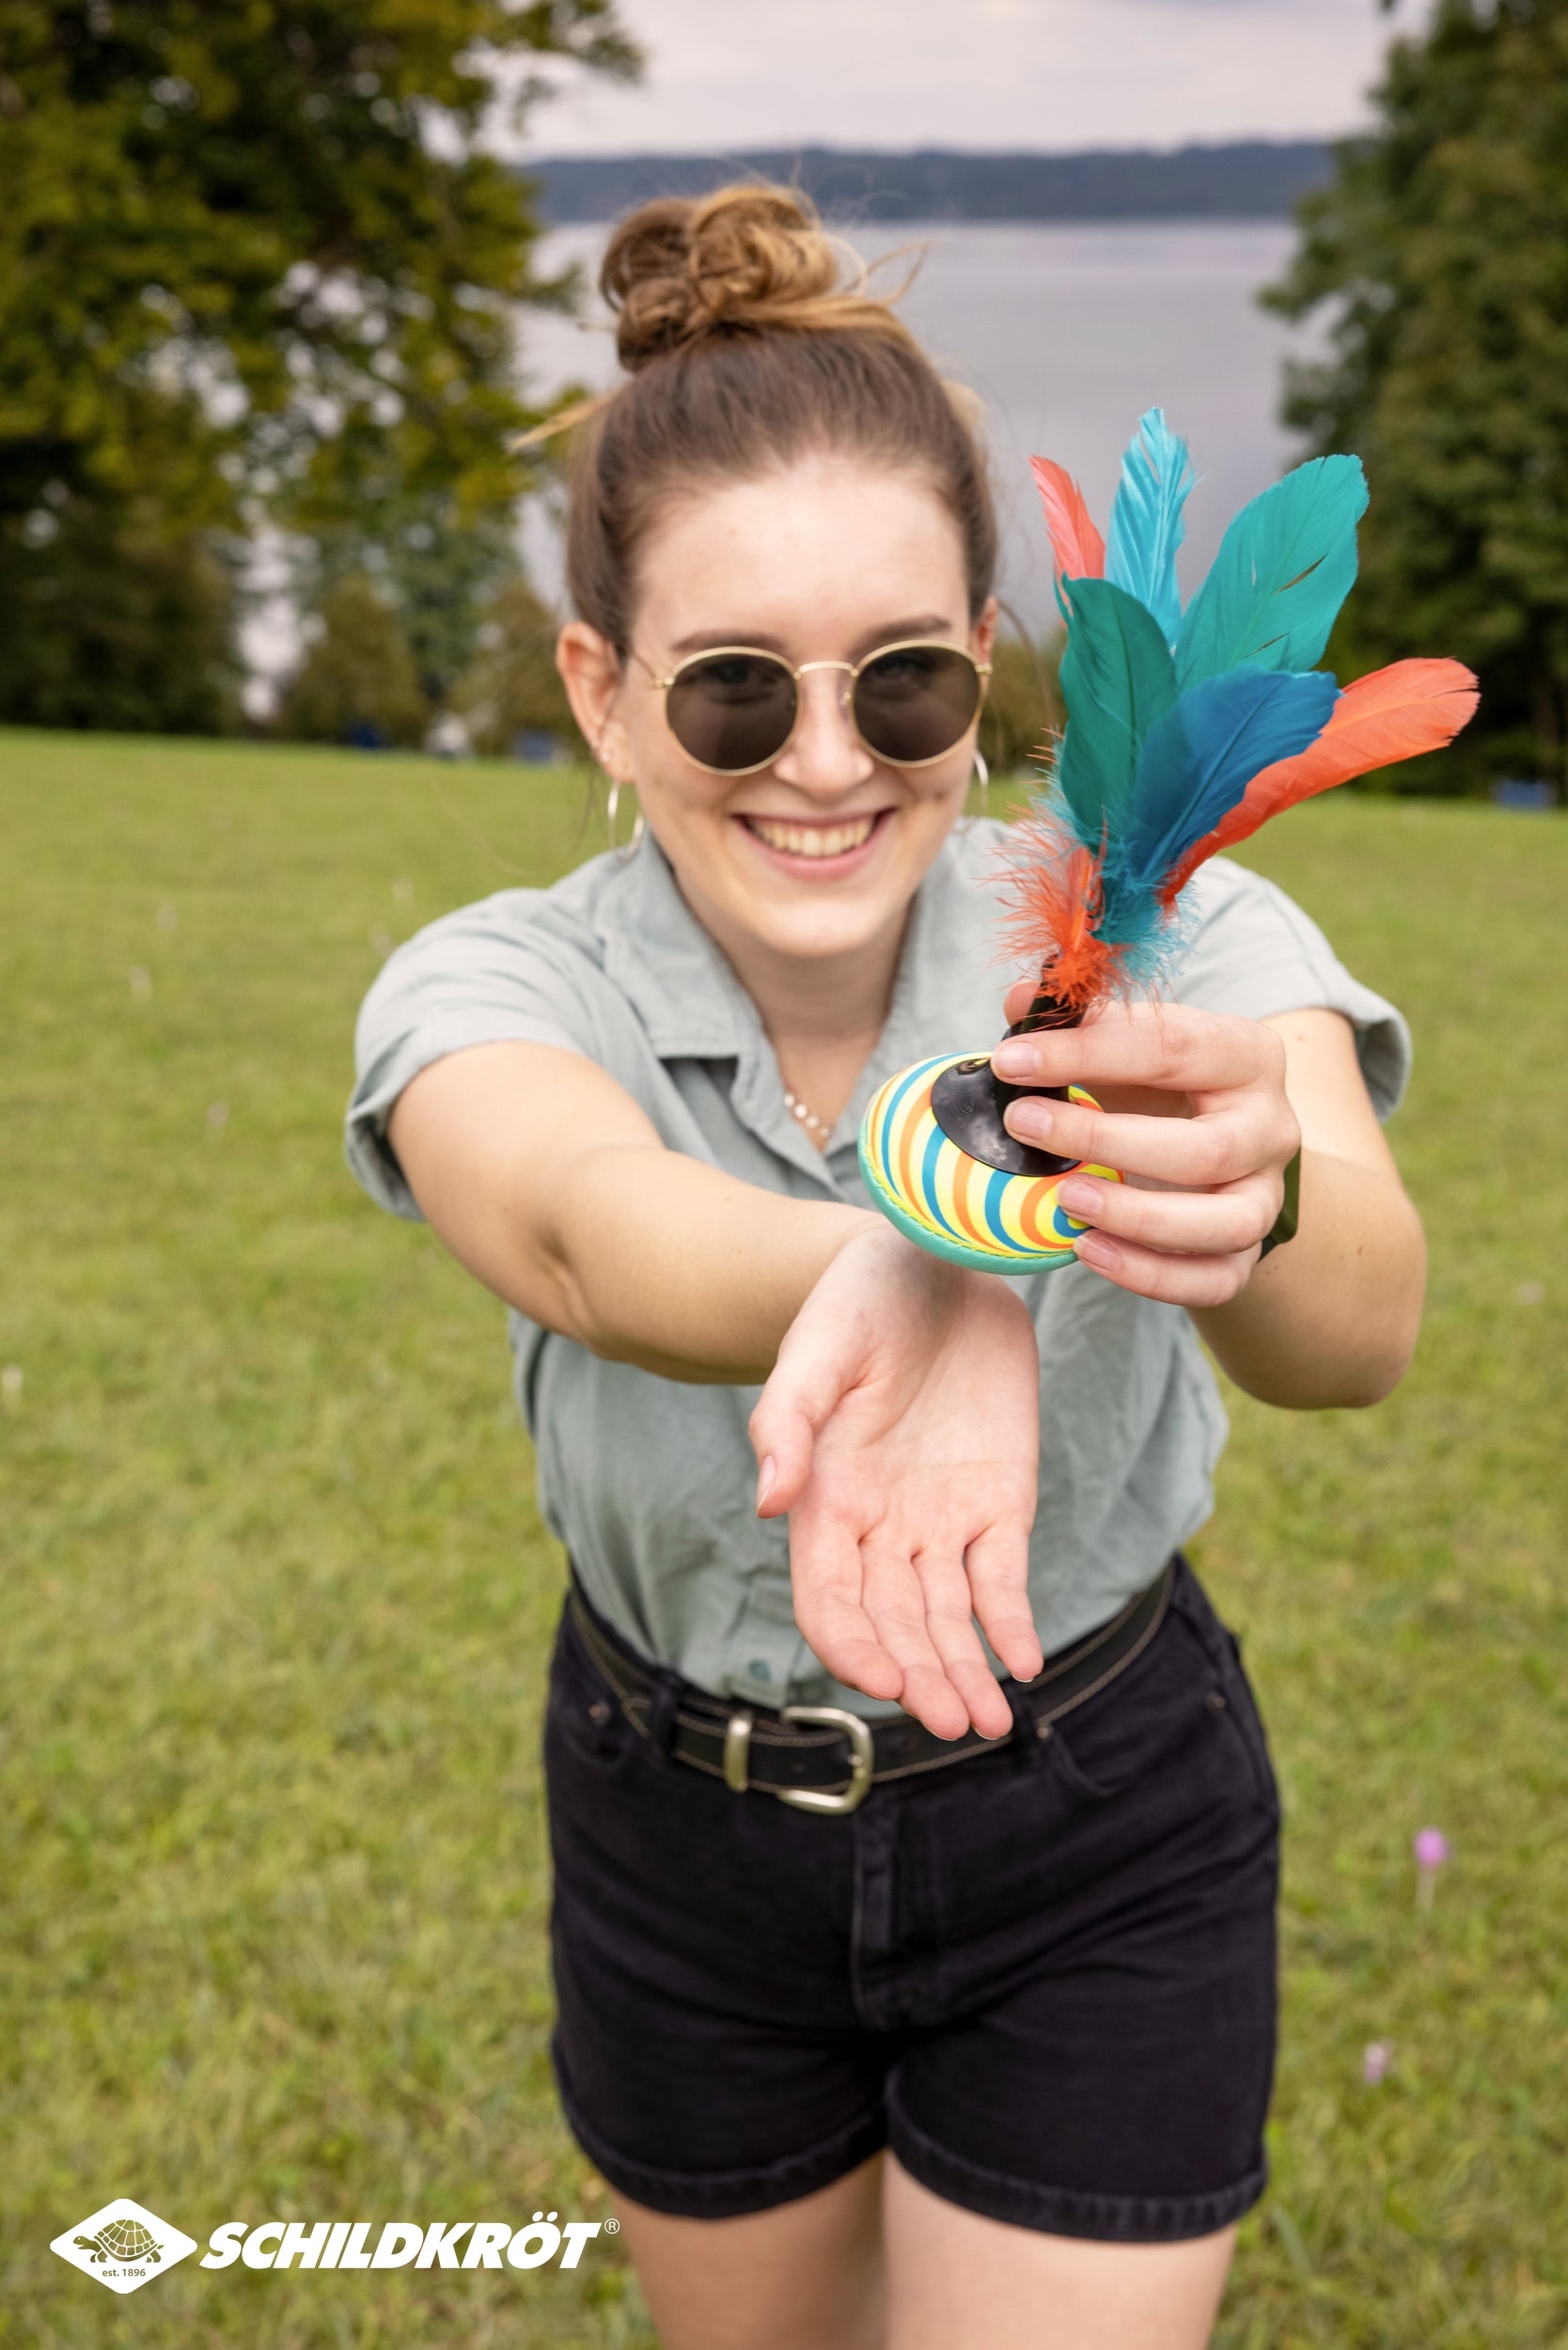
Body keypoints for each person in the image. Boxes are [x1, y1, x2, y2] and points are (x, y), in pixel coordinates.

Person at [346, 185, 1425, 2350]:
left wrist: (1265, 1194)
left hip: (1097, 1813)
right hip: (679, 1830)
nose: (828, 759)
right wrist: (889, 1262)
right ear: (601, 693)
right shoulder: (498, 978)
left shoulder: (1171, 935)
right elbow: (574, 1218)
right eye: (735, 691)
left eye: (905, 679)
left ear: (983, 667)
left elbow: (1362, 1326)